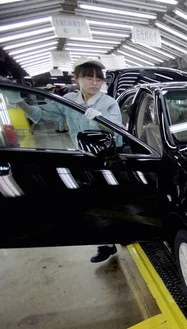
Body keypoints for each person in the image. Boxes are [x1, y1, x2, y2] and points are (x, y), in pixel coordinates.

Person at [7, 58, 122, 263]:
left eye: (98, 79)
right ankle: (105, 243)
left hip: (106, 160)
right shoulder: (68, 100)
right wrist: (20, 103)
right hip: (80, 158)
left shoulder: (108, 103)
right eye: (89, 77)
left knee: (109, 201)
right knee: (89, 203)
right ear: (76, 78)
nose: (95, 82)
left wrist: (100, 121)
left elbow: (118, 132)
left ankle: (117, 235)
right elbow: (41, 115)